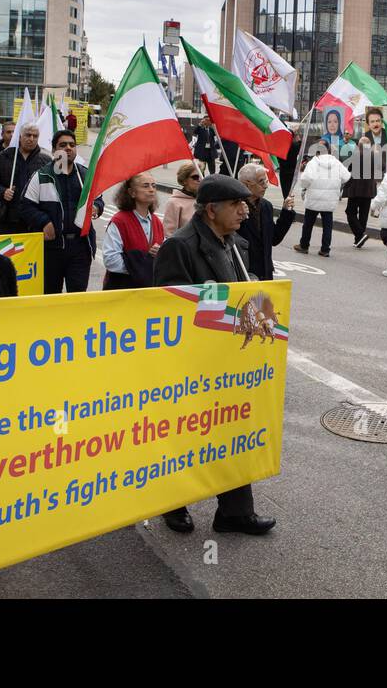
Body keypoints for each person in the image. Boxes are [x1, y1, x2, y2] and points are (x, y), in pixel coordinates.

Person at [153, 174, 276, 536]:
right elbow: (171, 311)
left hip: (230, 362)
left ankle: (235, 511)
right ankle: (172, 503)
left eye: (245, 204)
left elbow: (242, 288)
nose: (244, 211)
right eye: (236, 205)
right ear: (211, 210)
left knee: (233, 433)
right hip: (194, 365)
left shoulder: (232, 242)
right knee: (185, 437)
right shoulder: (181, 246)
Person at [20, 129, 103, 294]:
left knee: (77, 298)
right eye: (63, 145)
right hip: (51, 249)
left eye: (72, 145)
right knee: (51, 297)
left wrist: (97, 207)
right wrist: (43, 221)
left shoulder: (86, 176)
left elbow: (99, 199)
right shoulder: (41, 176)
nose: (68, 148)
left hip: (80, 248)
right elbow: (25, 206)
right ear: (53, 150)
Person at [102, 172, 165, 289]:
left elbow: (164, 256)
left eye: (154, 186)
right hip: (123, 289)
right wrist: (142, 266)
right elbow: (111, 260)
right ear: (132, 192)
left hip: (149, 290)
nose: (151, 190)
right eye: (145, 186)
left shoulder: (156, 221)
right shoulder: (119, 221)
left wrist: (161, 253)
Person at [0, 123, 50, 235]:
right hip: (8, 217)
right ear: (20, 137)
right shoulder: (4, 156)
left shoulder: (46, 161)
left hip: (35, 218)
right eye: (28, 135)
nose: (31, 139)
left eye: (35, 136)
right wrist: (3, 191)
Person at [236, 163, 296, 281]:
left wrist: (286, 212)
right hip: (244, 272)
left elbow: (274, 239)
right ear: (247, 184)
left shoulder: (266, 206)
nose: (266, 186)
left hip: (265, 274)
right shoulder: (234, 206)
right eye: (261, 182)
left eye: (266, 181)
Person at [292, 142, 351, 257]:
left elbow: (305, 179)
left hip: (314, 198)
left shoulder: (313, 162)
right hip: (329, 200)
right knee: (327, 226)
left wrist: (305, 187)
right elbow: (346, 177)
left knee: (308, 224)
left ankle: (304, 245)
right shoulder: (336, 163)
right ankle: (325, 249)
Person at [342, 133, 378, 248]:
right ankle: (359, 239)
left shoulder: (356, 155)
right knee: (363, 214)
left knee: (350, 212)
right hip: (369, 190)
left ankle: (360, 235)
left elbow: (349, 169)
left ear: (359, 145)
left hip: (356, 189)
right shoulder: (375, 156)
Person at [162, 161, 201, 236]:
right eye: (195, 177)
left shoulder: (204, 199)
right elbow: (169, 233)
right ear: (184, 180)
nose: (199, 179)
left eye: (201, 175)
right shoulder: (174, 202)